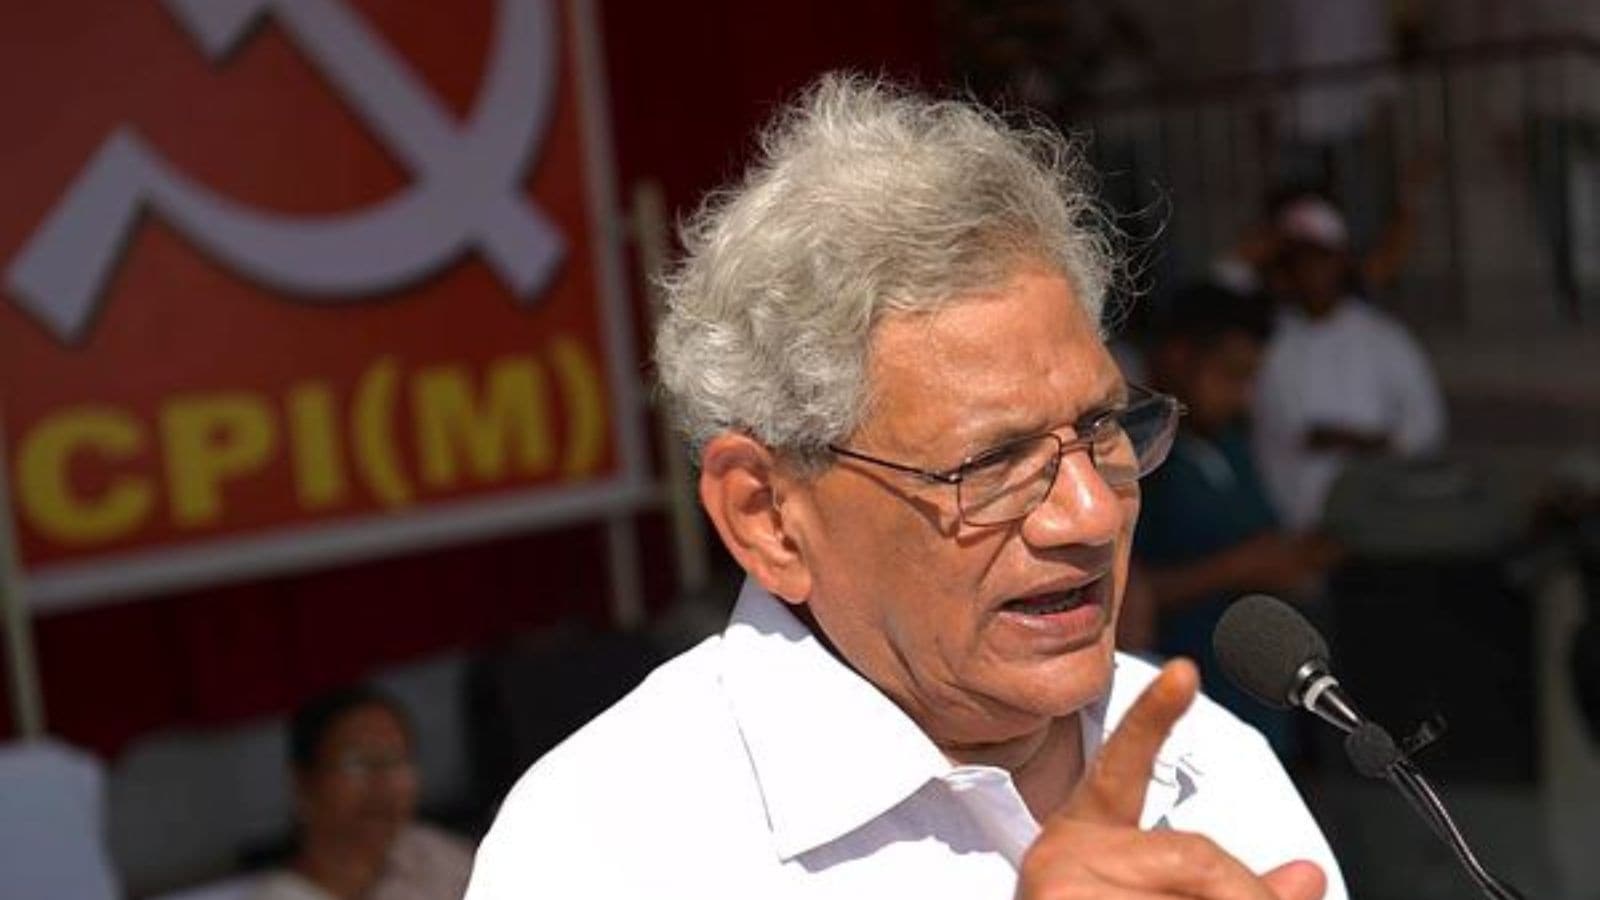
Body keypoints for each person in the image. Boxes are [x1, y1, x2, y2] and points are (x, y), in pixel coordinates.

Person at [467, 74, 1345, 899]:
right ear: (767, 516)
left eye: (1100, 429)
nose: (1089, 510)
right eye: (993, 464)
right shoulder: (613, 847)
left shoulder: (1209, 761)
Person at [1133, 283, 1340, 756]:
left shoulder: (1229, 446)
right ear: (1179, 356)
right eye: (1231, 376)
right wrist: (1237, 568)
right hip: (1179, 710)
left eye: (1251, 380)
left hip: (1256, 709)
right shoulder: (1136, 459)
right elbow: (1126, 594)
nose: (1243, 397)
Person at [1251, 195, 1447, 531]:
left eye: (1321, 259)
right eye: (1300, 261)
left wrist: (1371, 443)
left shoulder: (1384, 337)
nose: (1312, 273)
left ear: (1341, 262)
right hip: (1293, 525)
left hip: (1381, 517)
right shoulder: (1268, 342)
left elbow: (1426, 423)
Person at [251, 685, 473, 900]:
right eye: (357, 764)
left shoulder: (430, 855)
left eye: (398, 760)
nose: (384, 782)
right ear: (302, 784)